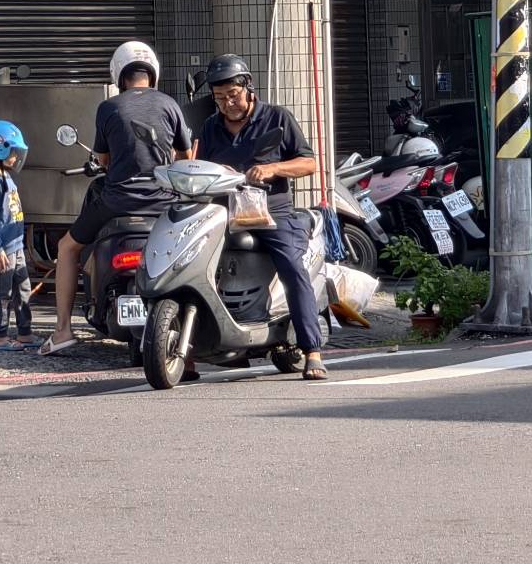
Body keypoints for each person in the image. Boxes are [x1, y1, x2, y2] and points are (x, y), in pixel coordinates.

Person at [40, 40, 193, 357]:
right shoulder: (170, 105)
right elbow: (185, 157)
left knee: (67, 247)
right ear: (153, 72)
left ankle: (63, 330)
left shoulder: (109, 108)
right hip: (162, 203)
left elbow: (104, 160)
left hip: (118, 202)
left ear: (119, 75)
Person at [194, 54, 328, 382]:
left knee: (292, 269)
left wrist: (273, 168)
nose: (228, 104)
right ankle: (190, 354)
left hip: (271, 211)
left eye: (233, 96)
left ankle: (312, 349)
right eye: (220, 98)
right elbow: (199, 166)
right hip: (225, 209)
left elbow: (309, 163)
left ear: (249, 89)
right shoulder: (211, 126)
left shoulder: (277, 118)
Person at [0, 121, 34, 351]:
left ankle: (25, 333)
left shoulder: (6, 177)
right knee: (3, 293)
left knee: (23, 289)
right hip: (4, 249)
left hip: (16, 245)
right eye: (13, 152)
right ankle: (1, 336)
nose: (16, 157)